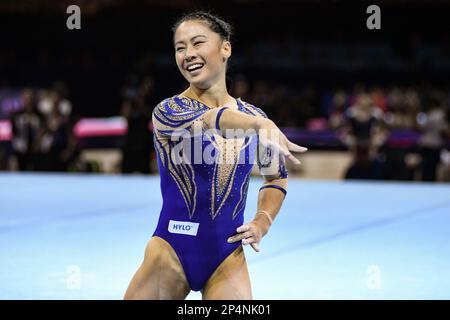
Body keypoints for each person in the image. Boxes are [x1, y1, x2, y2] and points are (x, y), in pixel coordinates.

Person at [124, 11, 307, 300]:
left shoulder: (254, 117)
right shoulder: (169, 111)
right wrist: (259, 125)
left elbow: (276, 177)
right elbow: (211, 120)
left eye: (197, 43)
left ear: (226, 48)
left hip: (227, 256)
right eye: (180, 47)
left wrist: (262, 221)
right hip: (170, 251)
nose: (188, 54)